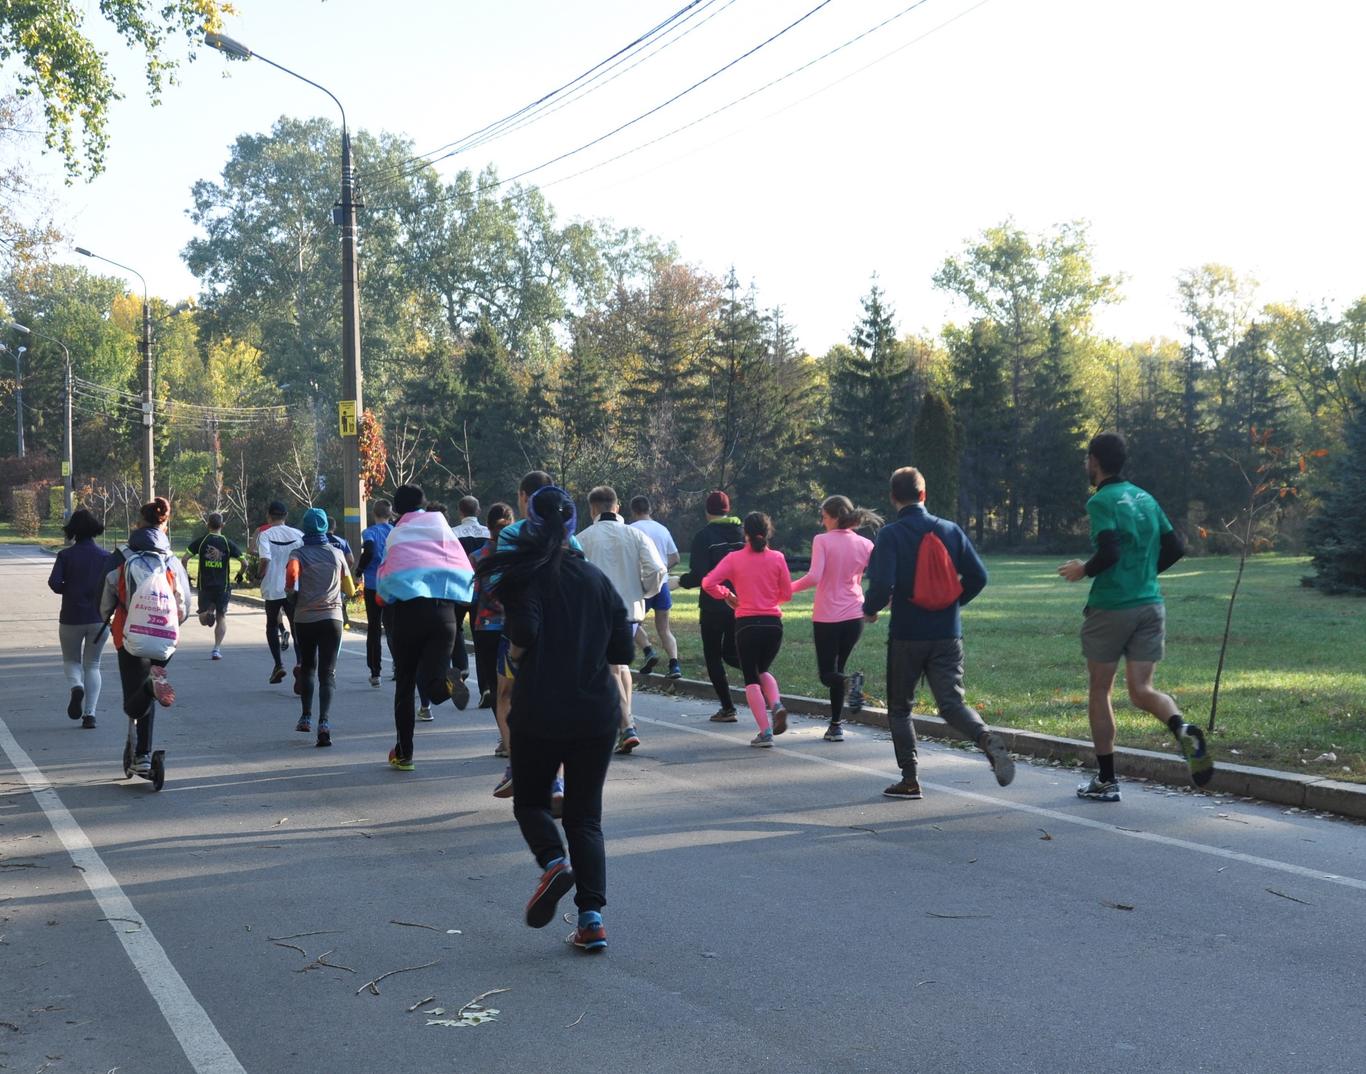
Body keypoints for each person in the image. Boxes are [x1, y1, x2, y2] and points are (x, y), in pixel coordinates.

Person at [476, 484, 634, 953]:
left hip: (541, 709)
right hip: (596, 713)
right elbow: (622, 649)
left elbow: (524, 631)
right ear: (572, 526)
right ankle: (592, 921)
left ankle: (552, 864)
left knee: (530, 801)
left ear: (530, 521)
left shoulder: (526, 576)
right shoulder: (596, 580)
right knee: (586, 818)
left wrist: (517, 655)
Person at [1057, 432, 1207, 801]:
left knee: (1100, 690)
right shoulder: (1145, 498)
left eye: (1087, 458)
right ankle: (1182, 728)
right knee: (1142, 690)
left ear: (1095, 461)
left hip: (1112, 606)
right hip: (1150, 604)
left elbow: (1109, 551)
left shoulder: (1101, 501)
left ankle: (1107, 780)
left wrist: (1083, 570)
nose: (1086, 464)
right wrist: (1143, 575)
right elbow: (1176, 547)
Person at [863, 467, 1015, 799]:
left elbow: (882, 584)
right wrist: (951, 604)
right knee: (951, 703)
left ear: (893, 497)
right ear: (923, 494)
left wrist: (870, 609)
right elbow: (979, 577)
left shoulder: (890, 534)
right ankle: (984, 737)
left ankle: (910, 780)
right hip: (947, 634)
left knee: (900, 708)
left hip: (907, 634)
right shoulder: (950, 530)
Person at [489, 471, 585, 798]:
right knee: (555, 701)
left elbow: (498, 583)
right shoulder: (572, 539)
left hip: (518, 628)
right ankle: (556, 781)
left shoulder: (512, 534)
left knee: (506, 696)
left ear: (524, 498)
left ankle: (516, 764)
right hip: (562, 631)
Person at [376, 484, 473, 771]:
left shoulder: (397, 533)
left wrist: (385, 594)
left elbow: (387, 579)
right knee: (433, 682)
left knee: (405, 684)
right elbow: (463, 569)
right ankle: (452, 680)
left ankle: (405, 754)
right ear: (424, 503)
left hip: (409, 614)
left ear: (396, 509)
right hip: (445, 615)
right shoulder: (444, 530)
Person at [99, 498, 191, 776]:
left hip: (129, 636)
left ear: (138, 523)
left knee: (135, 699)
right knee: (148, 686)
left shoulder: (122, 556)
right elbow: (184, 605)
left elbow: (105, 595)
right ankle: (143, 755)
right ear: (165, 525)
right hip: (164, 637)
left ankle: (141, 754)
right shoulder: (171, 560)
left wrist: (107, 617)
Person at [577, 486, 666, 755]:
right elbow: (657, 569)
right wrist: (644, 592)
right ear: (617, 507)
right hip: (630, 611)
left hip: (597, 613)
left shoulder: (582, 539)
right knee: (622, 667)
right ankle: (629, 720)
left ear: (592, 509)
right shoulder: (636, 535)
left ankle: (626, 726)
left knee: (611, 669)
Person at [792, 496, 881, 742]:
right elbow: (879, 578)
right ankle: (835, 725)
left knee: (827, 674)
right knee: (838, 670)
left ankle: (850, 685)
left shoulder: (822, 540)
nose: (822, 522)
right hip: (854, 616)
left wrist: (787, 589)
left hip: (827, 616)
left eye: (824, 517)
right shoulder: (865, 544)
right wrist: (874, 607)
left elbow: (814, 577)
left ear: (834, 517)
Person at [702, 512, 793, 748]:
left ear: (745, 534)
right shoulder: (778, 558)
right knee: (762, 670)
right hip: (773, 624)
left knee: (751, 677)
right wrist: (768, 600)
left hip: (747, 624)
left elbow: (708, 583)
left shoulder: (734, 558)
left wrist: (727, 595)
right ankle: (776, 704)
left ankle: (765, 732)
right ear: (768, 531)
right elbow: (787, 594)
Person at [286, 508, 357, 747]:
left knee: (308, 667)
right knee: (328, 673)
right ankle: (324, 723)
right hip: (332, 619)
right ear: (325, 528)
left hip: (305, 618)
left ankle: (305, 716)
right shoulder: (337, 553)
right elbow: (350, 589)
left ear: (305, 528)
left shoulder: (297, 553)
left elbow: (291, 581)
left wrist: (293, 597)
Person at [675, 491, 745, 722]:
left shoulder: (704, 536)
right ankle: (761, 676)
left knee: (713, 656)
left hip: (713, 605)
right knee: (732, 654)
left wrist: (680, 581)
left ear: (707, 511)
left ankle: (728, 708)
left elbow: (699, 575)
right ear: (728, 509)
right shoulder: (743, 533)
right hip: (741, 603)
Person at [48, 508, 110, 729]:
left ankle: (76, 686)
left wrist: (70, 588)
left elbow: (55, 583)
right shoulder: (106, 557)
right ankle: (90, 714)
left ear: (73, 530)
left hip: (71, 616)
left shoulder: (65, 556)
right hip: (99, 618)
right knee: (93, 665)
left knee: (71, 660)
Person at [628, 495, 682, 679]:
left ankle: (648, 651)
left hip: (641, 585)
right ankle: (674, 665)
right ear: (649, 509)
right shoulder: (662, 529)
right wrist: (662, 570)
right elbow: (675, 557)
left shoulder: (631, 530)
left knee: (631, 622)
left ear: (633, 511)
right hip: (662, 584)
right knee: (664, 629)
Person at [472, 502, 514, 720]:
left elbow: (471, 596)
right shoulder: (520, 556)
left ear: (487, 526)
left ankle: (504, 733)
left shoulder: (477, 557)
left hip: (486, 628)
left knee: (495, 686)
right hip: (516, 627)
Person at [257, 501, 303, 684]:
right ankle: (300, 662)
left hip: (272, 587)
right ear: (286, 516)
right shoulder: (298, 534)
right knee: (295, 626)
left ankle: (278, 664)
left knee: (271, 624)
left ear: (269, 516)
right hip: (293, 587)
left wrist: (259, 574)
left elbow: (265, 559)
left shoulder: (265, 535)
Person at [184, 512, 241, 660]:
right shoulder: (227, 543)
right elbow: (245, 562)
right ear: (222, 525)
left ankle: (208, 613)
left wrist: (186, 575)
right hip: (223, 587)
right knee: (221, 617)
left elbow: (184, 559)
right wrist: (240, 574)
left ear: (207, 525)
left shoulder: (201, 541)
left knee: (203, 620)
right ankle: (216, 649)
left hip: (205, 586)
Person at [449, 495, 490, 689]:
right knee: (480, 634)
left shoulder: (452, 533)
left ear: (460, 512)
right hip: (483, 591)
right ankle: (485, 687)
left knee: (455, 628)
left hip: (459, 589)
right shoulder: (488, 533)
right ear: (478, 511)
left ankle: (461, 669)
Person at [356, 500, 394, 688]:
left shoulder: (369, 532)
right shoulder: (395, 531)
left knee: (374, 627)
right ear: (390, 514)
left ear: (374, 514)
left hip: (373, 584)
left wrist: (359, 570)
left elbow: (369, 550)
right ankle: (398, 664)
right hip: (393, 584)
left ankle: (375, 671)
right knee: (393, 626)